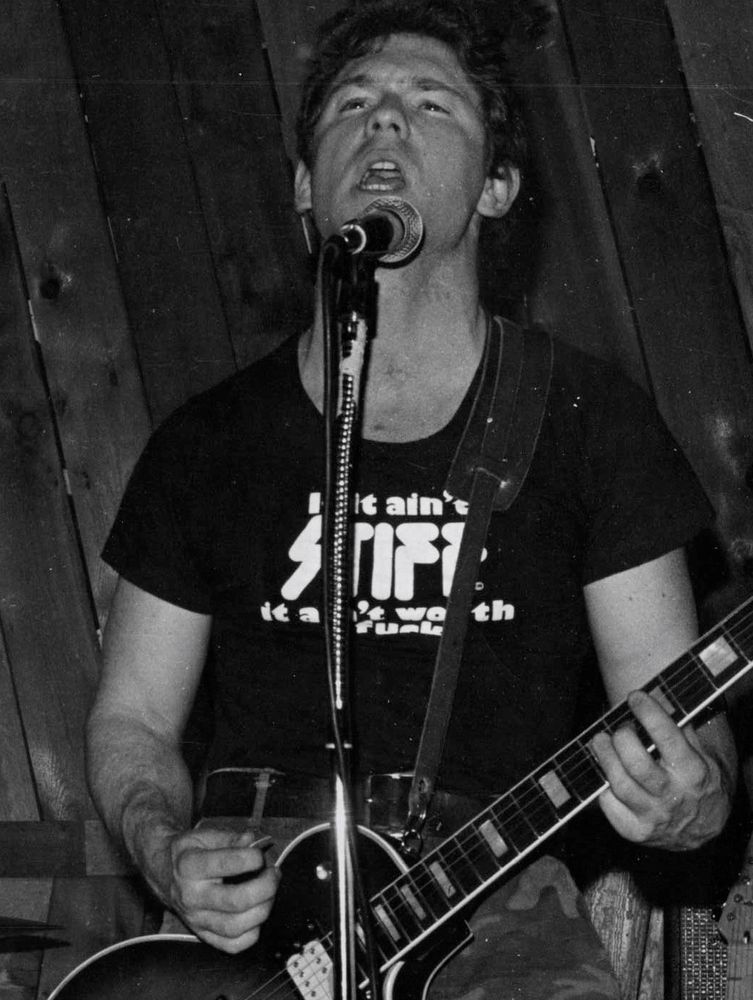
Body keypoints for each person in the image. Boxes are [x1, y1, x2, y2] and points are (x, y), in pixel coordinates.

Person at [87, 1, 737, 995]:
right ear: (306, 186)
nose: (385, 120)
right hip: (252, 907)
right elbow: (132, 717)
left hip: (495, 896)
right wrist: (164, 846)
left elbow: (678, 705)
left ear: (498, 186)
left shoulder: (587, 419)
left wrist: (700, 794)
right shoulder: (209, 441)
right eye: (354, 102)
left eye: (430, 104)